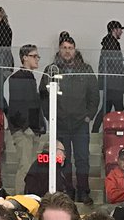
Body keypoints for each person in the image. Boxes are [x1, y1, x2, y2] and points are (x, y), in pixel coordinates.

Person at [40, 34, 98, 204]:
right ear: (59, 49)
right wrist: (50, 117)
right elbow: (43, 95)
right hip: (60, 123)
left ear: (75, 50)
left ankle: (83, 191)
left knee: (82, 159)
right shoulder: (51, 69)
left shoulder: (86, 70)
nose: (67, 51)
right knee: (63, 159)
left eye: (70, 48)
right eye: (64, 48)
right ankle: (67, 191)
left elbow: (94, 95)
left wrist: (89, 116)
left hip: (81, 123)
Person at [7, 44, 44, 196]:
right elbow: (16, 106)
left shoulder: (30, 78)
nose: (37, 59)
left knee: (30, 166)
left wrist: (40, 126)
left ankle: (28, 196)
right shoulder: (17, 78)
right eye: (34, 56)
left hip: (33, 129)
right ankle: (19, 198)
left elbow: (32, 105)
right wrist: (25, 126)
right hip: (23, 130)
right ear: (24, 57)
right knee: (25, 165)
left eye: (37, 56)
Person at [94, 20, 124, 131]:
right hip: (114, 82)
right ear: (114, 30)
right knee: (118, 108)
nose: (121, 32)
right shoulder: (112, 43)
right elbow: (115, 64)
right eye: (120, 29)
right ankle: (120, 130)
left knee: (106, 108)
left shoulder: (108, 42)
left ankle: (96, 130)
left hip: (109, 82)